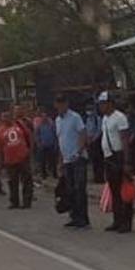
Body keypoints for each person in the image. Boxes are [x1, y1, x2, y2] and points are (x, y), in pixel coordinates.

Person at [98, 91, 134, 233]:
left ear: (110, 104)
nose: (101, 107)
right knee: (114, 191)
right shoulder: (105, 119)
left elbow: (125, 140)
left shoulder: (120, 118)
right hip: (108, 157)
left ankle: (126, 222)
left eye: (103, 104)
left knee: (124, 190)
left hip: (118, 156)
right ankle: (117, 220)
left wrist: (126, 162)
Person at [54, 94, 89, 228]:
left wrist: (79, 151)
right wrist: (60, 161)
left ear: (67, 104)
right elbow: (60, 141)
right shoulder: (57, 120)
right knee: (69, 190)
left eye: (62, 103)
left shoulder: (75, 117)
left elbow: (83, 133)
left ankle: (83, 219)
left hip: (77, 158)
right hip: (66, 159)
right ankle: (74, 216)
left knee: (79, 189)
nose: (60, 106)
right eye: (58, 104)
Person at [0, 109, 34, 209]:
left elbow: (29, 136)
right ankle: (14, 201)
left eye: (8, 116)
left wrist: (30, 151)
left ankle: (27, 201)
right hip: (10, 160)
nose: (6, 118)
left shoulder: (19, 125)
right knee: (12, 182)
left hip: (23, 157)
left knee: (27, 180)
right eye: (4, 116)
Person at [83, 102, 104, 184]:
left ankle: (100, 178)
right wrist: (87, 139)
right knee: (93, 161)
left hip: (96, 142)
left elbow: (99, 130)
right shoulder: (86, 119)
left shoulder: (98, 119)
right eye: (88, 109)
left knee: (99, 161)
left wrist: (93, 139)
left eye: (91, 109)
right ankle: (95, 177)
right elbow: (84, 130)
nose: (89, 111)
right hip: (89, 142)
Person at [34, 109, 58, 181]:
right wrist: (38, 143)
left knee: (53, 161)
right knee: (43, 161)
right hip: (43, 145)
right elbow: (36, 135)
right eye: (43, 116)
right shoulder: (39, 125)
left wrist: (55, 143)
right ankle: (43, 174)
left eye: (45, 116)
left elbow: (55, 134)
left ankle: (54, 174)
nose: (44, 118)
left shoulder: (51, 124)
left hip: (51, 145)